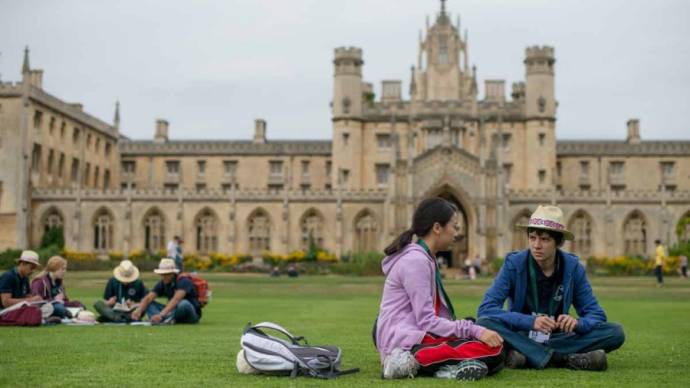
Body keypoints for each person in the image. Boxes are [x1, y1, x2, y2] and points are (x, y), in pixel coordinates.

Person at [477, 205, 625, 371]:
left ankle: (527, 356)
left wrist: (577, 323)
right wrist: (530, 321)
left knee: (615, 332)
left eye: (545, 239)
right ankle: (564, 359)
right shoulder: (514, 264)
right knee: (484, 322)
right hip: (522, 333)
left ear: (559, 242)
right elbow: (486, 310)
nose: (536, 245)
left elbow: (596, 314)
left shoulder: (573, 268)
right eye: (532, 238)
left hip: (558, 336)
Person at [375, 197, 504, 381]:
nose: (456, 233)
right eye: (454, 226)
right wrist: (475, 331)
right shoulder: (416, 261)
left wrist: (471, 328)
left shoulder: (425, 258)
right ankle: (403, 360)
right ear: (437, 228)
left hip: (412, 332)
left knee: (478, 330)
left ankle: (445, 368)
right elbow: (426, 321)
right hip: (407, 339)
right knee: (494, 351)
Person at [131, 258, 201, 324]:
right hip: (172, 311)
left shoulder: (184, 281)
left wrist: (161, 314)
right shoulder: (163, 283)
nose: (163, 277)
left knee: (183, 304)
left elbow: (176, 300)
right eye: (162, 274)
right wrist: (139, 310)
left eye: (166, 274)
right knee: (148, 303)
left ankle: (164, 318)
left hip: (190, 314)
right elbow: (149, 297)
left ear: (172, 273)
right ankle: (161, 319)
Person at [0, 250, 43, 326]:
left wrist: (37, 299)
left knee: (49, 307)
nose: (33, 271)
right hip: (4, 311)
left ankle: (38, 317)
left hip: (19, 308)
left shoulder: (25, 278)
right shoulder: (8, 276)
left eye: (35, 268)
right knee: (33, 311)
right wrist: (30, 300)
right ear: (22, 263)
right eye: (32, 267)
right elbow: (5, 303)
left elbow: (27, 295)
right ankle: (41, 318)